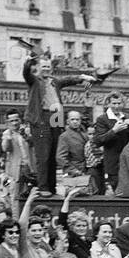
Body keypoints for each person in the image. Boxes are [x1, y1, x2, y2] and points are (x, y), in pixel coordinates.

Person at [23, 49, 98, 195]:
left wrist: (82, 77)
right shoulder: (34, 81)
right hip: (41, 118)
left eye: (48, 66)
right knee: (43, 154)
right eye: (43, 66)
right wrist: (28, 61)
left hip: (55, 116)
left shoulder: (54, 81)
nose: (46, 69)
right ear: (38, 68)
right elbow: (26, 73)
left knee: (53, 152)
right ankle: (43, 187)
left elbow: (68, 80)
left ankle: (51, 186)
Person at [91, 93, 129, 193]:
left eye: (119, 103)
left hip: (127, 161)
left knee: (128, 190)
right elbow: (98, 140)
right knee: (118, 190)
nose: (117, 106)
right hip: (113, 163)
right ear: (108, 104)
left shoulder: (126, 116)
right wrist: (114, 130)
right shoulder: (102, 119)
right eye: (114, 103)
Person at [55, 110, 89, 190]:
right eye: (72, 119)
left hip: (85, 169)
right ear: (67, 121)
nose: (75, 122)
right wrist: (72, 170)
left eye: (77, 119)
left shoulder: (84, 134)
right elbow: (60, 157)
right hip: (73, 172)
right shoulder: (65, 136)